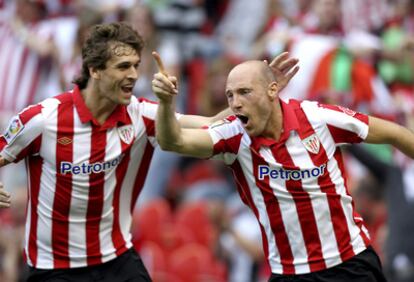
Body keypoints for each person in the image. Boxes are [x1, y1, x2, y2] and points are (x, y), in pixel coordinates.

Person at [0, 22, 298, 281]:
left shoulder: (140, 114)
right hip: (54, 267)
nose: (133, 74)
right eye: (122, 67)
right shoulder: (43, 118)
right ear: (95, 70)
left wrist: (261, 92)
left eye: (135, 65)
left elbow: (208, 124)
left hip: (115, 260)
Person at [151, 55, 414, 281]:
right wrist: (165, 103)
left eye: (244, 92)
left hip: (350, 264)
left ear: (273, 90)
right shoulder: (233, 137)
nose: (235, 102)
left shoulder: (317, 118)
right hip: (289, 273)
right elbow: (173, 140)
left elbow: (397, 134)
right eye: (230, 95)